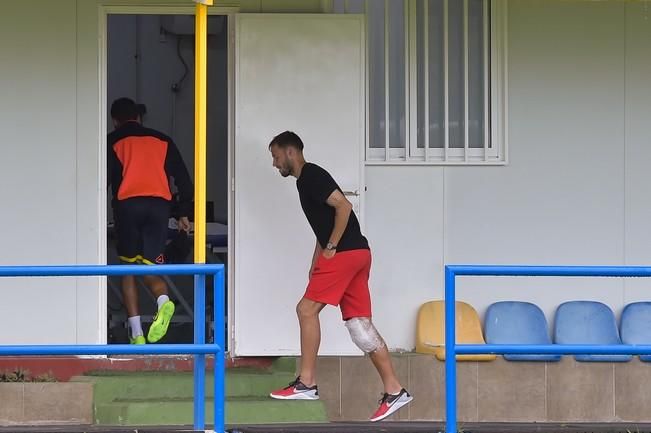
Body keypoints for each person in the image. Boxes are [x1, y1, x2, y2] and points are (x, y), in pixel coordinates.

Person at [267, 131, 412, 422]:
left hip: (345, 253)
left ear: (290, 152)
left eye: (276, 155)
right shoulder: (305, 181)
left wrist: (332, 248)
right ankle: (395, 390)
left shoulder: (310, 175)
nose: (275, 163)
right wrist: (317, 258)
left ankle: (306, 383)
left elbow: (343, 207)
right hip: (358, 254)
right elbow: (324, 223)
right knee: (359, 325)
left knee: (305, 309)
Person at [107, 97, 193, 345]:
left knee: (128, 269)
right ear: (139, 117)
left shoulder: (113, 141)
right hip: (159, 207)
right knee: (151, 265)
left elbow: (103, 179)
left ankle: (136, 334)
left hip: (128, 207)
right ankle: (163, 301)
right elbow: (184, 181)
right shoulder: (162, 140)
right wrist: (182, 212)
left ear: (115, 121)